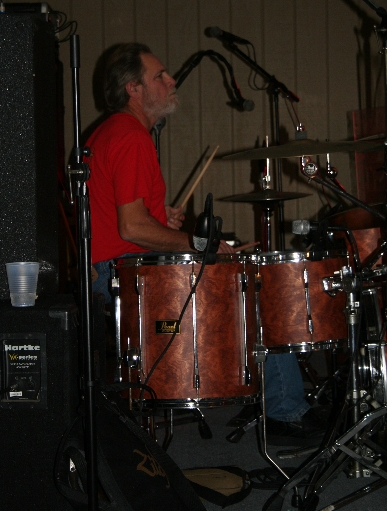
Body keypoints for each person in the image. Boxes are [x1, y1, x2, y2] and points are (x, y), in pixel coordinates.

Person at [86, 42, 326, 446]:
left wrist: (161, 220)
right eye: (159, 75)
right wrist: (201, 244)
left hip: (115, 270)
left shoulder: (112, 131)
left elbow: (124, 217)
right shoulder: (130, 136)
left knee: (238, 276)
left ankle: (268, 397)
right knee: (251, 289)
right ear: (133, 88)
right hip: (124, 277)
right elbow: (132, 228)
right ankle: (284, 411)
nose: (171, 80)